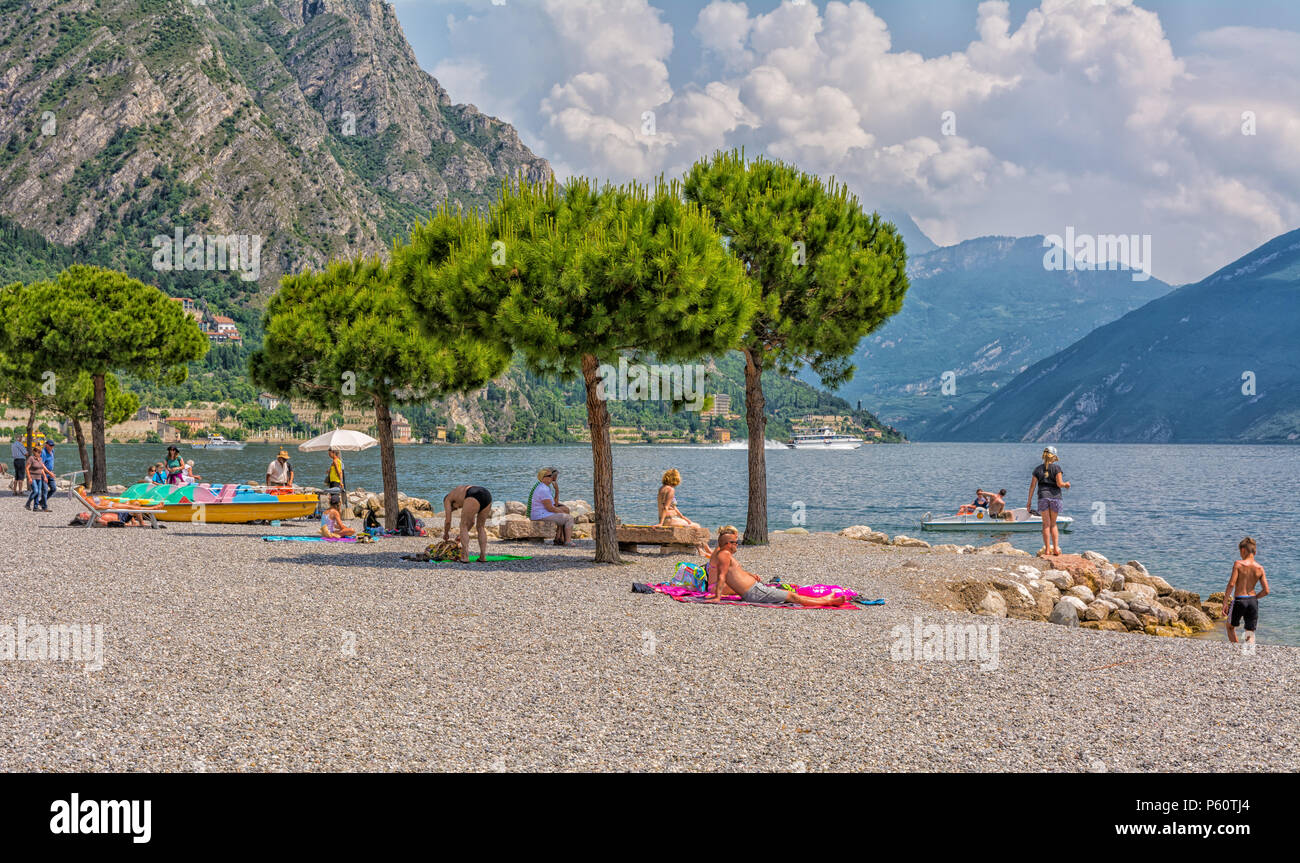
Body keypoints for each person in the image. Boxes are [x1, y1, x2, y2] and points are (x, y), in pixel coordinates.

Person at [705, 525, 846, 607]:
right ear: (728, 544)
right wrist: (717, 597)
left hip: (755, 589)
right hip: (753, 593)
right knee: (792, 596)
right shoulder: (723, 555)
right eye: (735, 542)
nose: (738, 545)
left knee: (792, 595)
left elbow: (734, 573)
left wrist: (751, 576)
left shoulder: (725, 555)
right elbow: (722, 576)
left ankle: (825, 599)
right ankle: (828, 602)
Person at [1223, 537, 1270, 645]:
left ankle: (1236, 649)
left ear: (1243, 550)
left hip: (1239, 600)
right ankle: (1248, 655)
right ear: (1255, 551)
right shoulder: (1260, 568)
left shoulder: (1238, 564)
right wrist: (1254, 598)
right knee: (1249, 631)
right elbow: (1266, 591)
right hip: (1252, 601)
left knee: (1230, 627)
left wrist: (1225, 602)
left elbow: (1231, 584)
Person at [1027, 446, 1070, 556]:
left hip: (1042, 496)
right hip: (1055, 497)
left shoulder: (1037, 469)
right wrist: (1066, 484)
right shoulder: (1057, 468)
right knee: (1053, 524)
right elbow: (1060, 484)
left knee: (1046, 524)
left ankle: (1047, 550)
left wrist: (1029, 502)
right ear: (1054, 456)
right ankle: (1055, 549)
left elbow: (1032, 487)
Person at [443, 485, 493, 563]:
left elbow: (448, 521)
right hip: (486, 494)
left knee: (463, 525)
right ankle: (483, 556)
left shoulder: (447, 499)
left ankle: (465, 557)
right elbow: (472, 522)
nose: (456, 508)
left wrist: (445, 534)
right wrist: (461, 535)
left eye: (454, 508)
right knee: (481, 527)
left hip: (472, 494)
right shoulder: (459, 493)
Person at [528, 467, 573, 545]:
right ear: (543, 478)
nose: (552, 477)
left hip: (541, 512)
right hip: (540, 514)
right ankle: (567, 541)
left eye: (551, 475)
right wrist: (562, 513)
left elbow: (553, 505)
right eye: (549, 476)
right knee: (568, 518)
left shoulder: (545, 487)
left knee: (565, 511)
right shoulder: (543, 489)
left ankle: (560, 538)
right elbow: (550, 508)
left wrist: (557, 491)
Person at [24, 445, 47, 511]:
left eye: (40, 452)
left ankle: (35, 507)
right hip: (32, 477)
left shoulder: (40, 459)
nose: (40, 453)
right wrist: (29, 478)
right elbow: (27, 468)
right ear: (35, 452)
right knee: (35, 491)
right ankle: (28, 504)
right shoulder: (31, 458)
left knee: (39, 492)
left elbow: (41, 469)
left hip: (39, 478)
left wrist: (45, 476)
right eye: (39, 452)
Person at [39, 440, 56, 510]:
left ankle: (41, 502)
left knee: (53, 489)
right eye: (50, 445)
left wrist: (51, 472)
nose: (51, 447)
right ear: (46, 445)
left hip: (50, 473)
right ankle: (44, 507)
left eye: (52, 445)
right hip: (44, 473)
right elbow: (41, 465)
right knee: (45, 490)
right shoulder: (43, 452)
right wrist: (47, 474)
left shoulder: (52, 451)